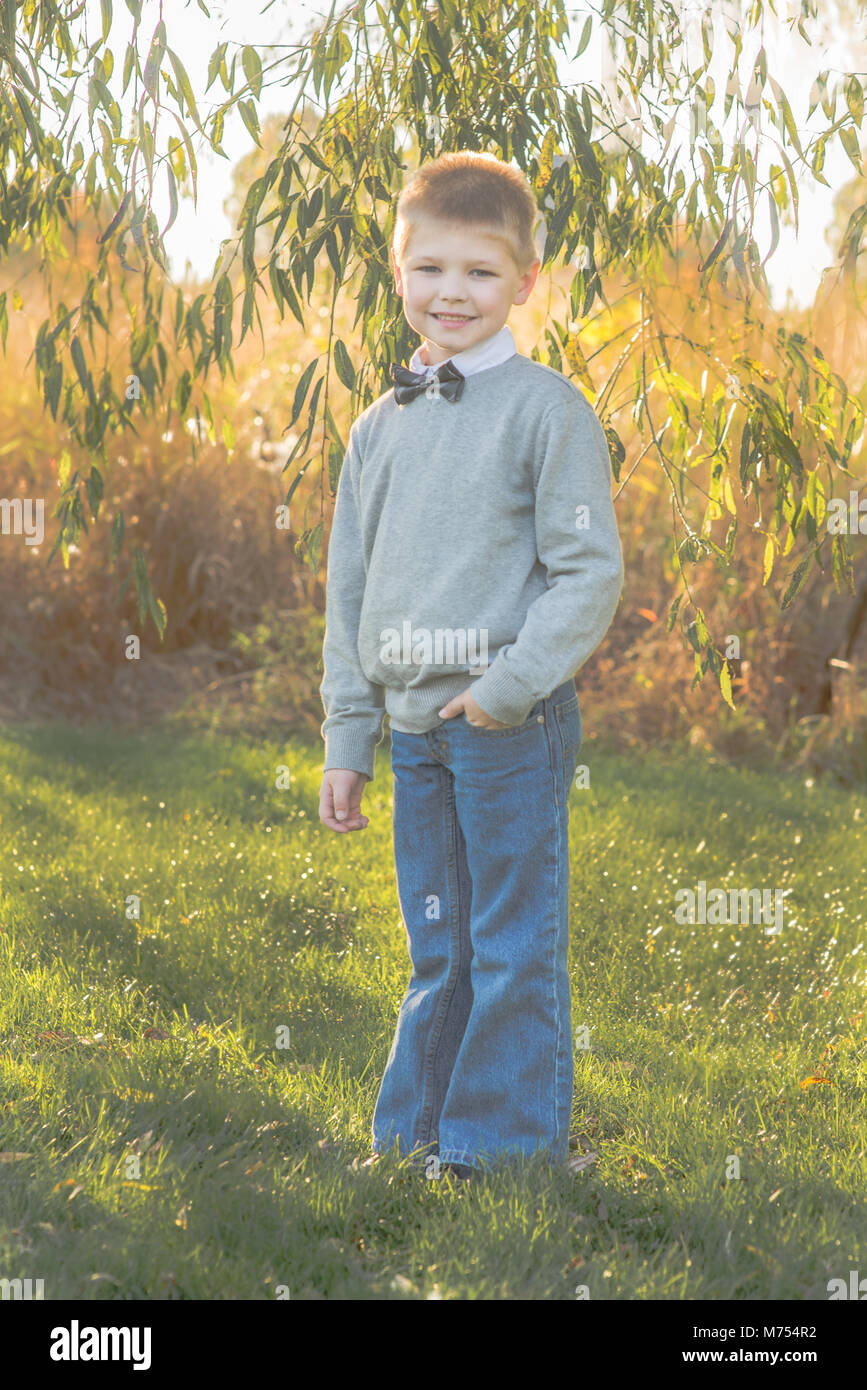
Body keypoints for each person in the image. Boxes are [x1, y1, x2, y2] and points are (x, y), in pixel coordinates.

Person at [319, 150, 624, 1181]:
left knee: (509, 941)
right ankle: (416, 1138)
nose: (453, 293)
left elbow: (588, 571)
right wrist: (346, 738)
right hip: (410, 729)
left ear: (526, 283)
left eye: (481, 273)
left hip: (505, 725)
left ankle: (502, 1151)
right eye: (432, 268)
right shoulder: (378, 427)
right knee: (440, 946)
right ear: (398, 270)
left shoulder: (547, 411)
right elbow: (350, 598)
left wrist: (505, 690)